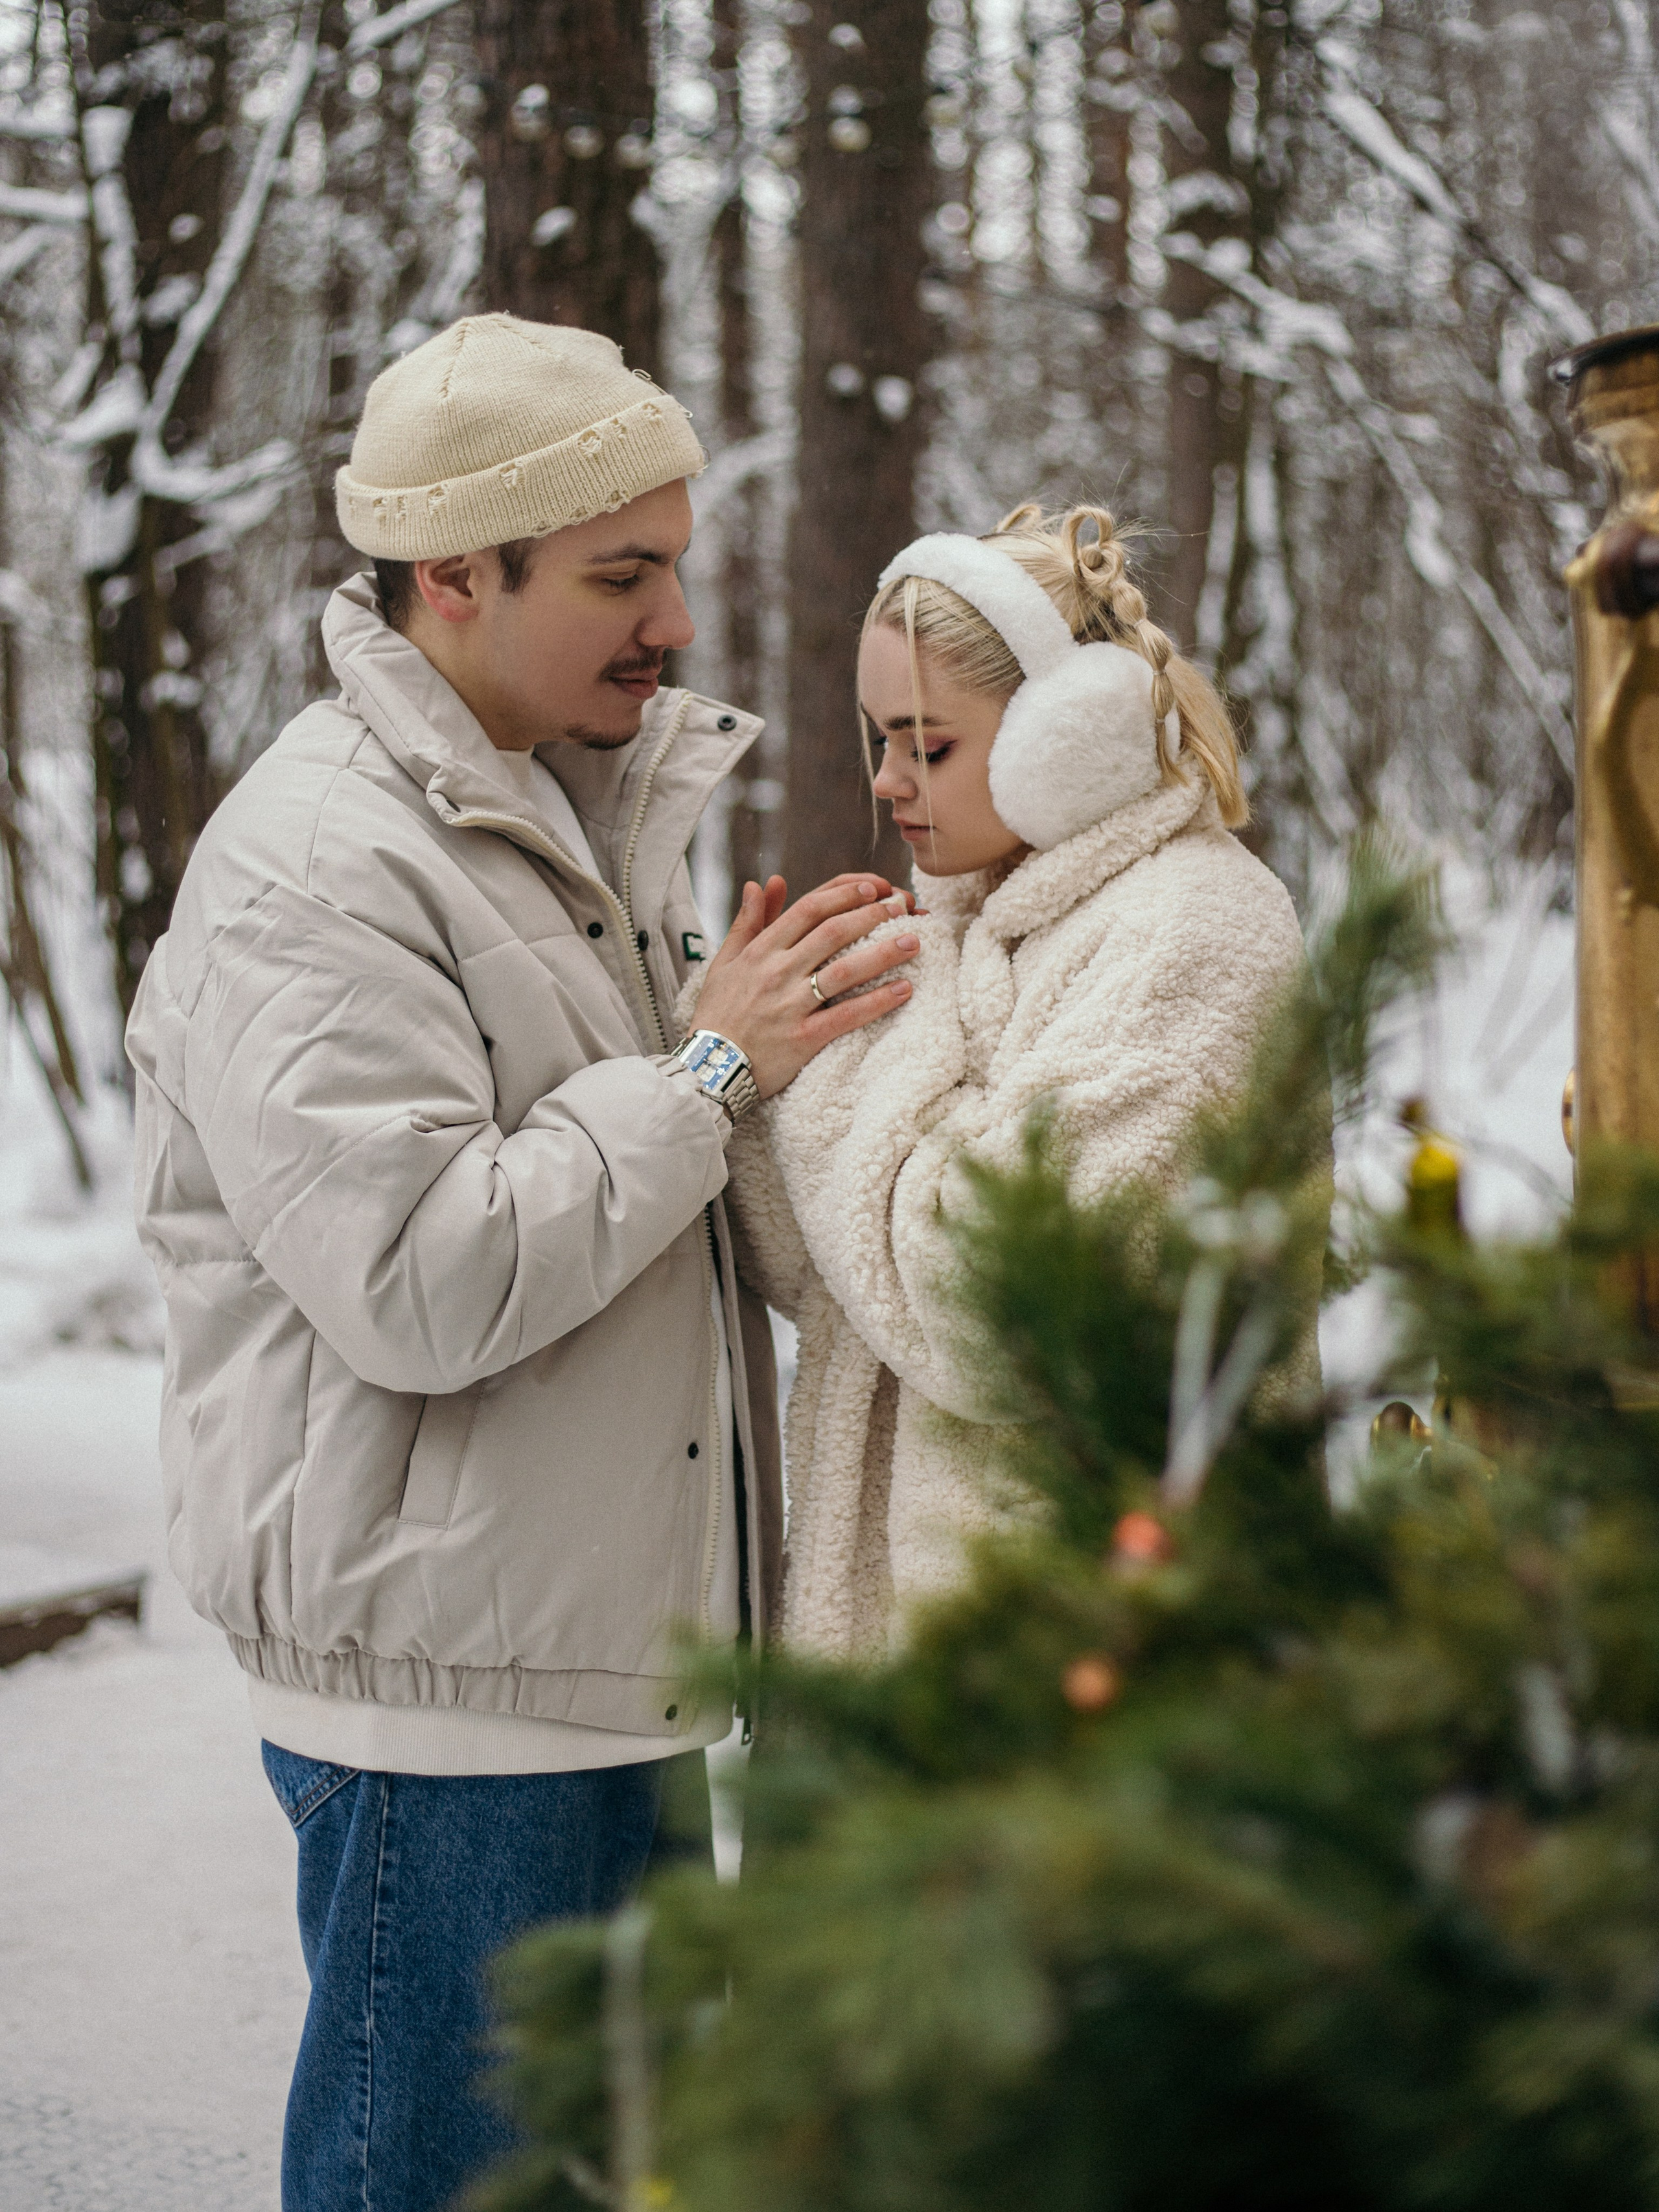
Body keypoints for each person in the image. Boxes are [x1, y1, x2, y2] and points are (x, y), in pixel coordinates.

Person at [124, 312, 916, 2212]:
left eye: (677, 567)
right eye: (622, 574)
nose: (676, 625)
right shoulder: (319, 864)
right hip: (450, 1725)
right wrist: (714, 1063)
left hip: (593, 1675)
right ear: (457, 574)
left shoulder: (540, 817)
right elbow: (418, 1272)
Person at [702, 502, 1318, 1658]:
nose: (887, 783)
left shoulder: (1193, 932)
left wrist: (832, 1082)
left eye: (926, 744)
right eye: (878, 738)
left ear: (1065, 738)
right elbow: (833, 1274)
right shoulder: (972, 929)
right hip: (921, 1674)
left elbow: (992, 1307)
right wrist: (744, 1056)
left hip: (1097, 1676)